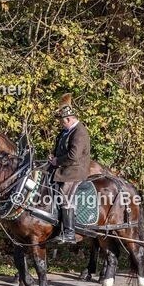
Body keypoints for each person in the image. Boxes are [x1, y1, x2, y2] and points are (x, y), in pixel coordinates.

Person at [49, 94, 91, 244]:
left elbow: (73, 156)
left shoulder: (79, 132)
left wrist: (57, 161)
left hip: (75, 171)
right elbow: (59, 149)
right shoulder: (65, 132)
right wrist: (53, 157)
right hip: (62, 169)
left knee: (65, 196)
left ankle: (69, 232)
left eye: (62, 122)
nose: (61, 125)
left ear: (69, 119)